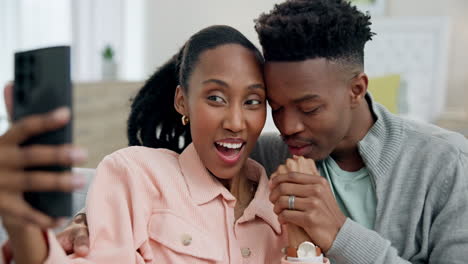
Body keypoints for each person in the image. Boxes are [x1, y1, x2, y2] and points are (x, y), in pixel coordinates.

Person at [59, 0, 468, 263]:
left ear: (357, 89)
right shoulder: (270, 158)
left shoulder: (445, 163)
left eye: (309, 108)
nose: (288, 126)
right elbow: (170, 182)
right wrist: (91, 218)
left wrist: (341, 236)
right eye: (274, 106)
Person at [0, 25, 329, 264]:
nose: (235, 121)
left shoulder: (281, 205)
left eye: (253, 101)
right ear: (182, 102)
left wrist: (300, 243)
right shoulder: (136, 174)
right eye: (215, 97)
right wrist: (25, 228)